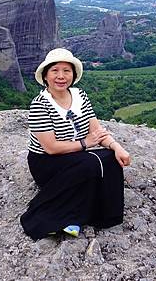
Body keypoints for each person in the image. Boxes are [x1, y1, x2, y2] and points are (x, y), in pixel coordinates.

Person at [20, 48, 131, 240]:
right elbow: (51, 148)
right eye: (55, 71)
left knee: (110, 160)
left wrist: (116, 147)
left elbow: (96, 131)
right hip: (46, 162)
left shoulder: (80, 96)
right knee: (91, 163)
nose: (61, 76)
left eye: (66, 71)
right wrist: (85, 144)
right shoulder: (40, 104)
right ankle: (63, 218)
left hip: (72, 156)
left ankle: (103, 214)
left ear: (73, 74)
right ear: (45, 76)